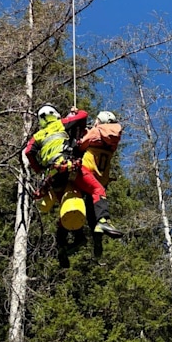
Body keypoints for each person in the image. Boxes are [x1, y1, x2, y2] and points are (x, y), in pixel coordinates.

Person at [23, 104, 122, 266]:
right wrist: (73, 114)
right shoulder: (61, 124)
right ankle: (102, 222)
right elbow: (83, 116)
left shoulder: (38, 135)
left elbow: (28, 152)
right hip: (71, 168)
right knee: (95, 191)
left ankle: (68, 241)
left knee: (68, 202)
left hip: (54, 176)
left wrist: (38, 167)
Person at [77, 109, 124, 260]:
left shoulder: (95, 132)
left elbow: (80, 146)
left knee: (94, 194)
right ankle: (97, 232)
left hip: (85, 174)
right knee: (94, 203)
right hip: (99, 178)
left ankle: (101, 223)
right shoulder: (114, 140)